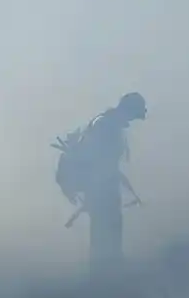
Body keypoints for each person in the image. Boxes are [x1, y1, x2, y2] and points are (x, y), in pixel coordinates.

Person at [53, 91, 147, 277]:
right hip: (103, 194)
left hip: (104, 192)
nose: (132, 121)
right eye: (134, 115)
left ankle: (107, 278)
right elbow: (98, 163)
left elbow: (106, 164)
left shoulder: (107, 124)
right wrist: (97, 191)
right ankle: (104, 282)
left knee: (107, 238)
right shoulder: (106, 126)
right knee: (105, 241)